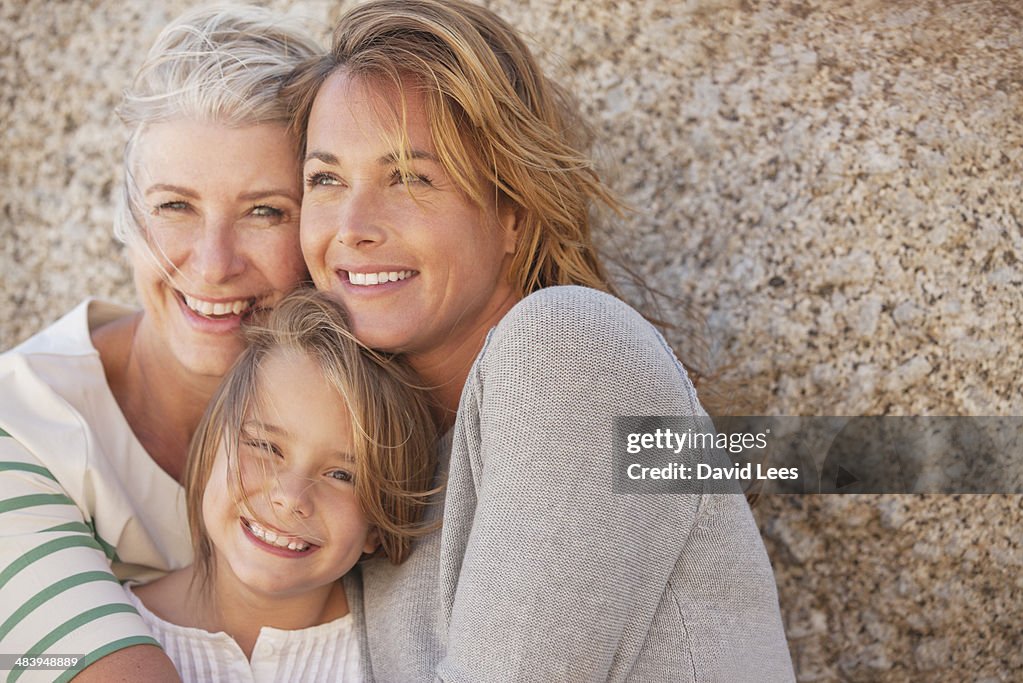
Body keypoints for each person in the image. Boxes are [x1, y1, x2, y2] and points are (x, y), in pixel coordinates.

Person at [286, 0, 796, 680]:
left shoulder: (567, 350)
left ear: (512, 217)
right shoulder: (379, 460)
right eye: (326, 179)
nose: (351, 225)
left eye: (409, 176)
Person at [0, 7, 320, 681]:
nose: (212, 263)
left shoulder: (370, 415)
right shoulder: (23, 424)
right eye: (175, 205)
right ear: (128, 216)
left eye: (266, 211)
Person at [126, 289, 436, 682]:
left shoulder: (409, 655)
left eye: (342, 475)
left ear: (378, 523)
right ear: (210, 449)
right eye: (265, 447)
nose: (291, 497)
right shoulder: (90, 637)